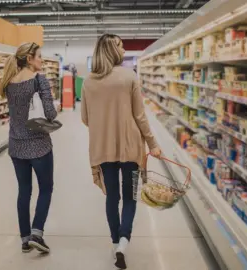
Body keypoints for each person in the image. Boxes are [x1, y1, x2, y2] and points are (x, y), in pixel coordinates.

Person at [81, 34, 161, 269]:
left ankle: (115, 240)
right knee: (131, 196)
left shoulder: (88, 81)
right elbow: (140, 116)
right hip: (131, 148)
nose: (124, 48)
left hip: (103, 148)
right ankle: (124, 242)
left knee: (112, 196)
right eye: (121, 45)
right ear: (112, 49)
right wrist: (153, 143)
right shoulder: (129, 76)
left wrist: (105, 125)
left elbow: (86, 118)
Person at [1, 42, 58, 254]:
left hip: (16, 146)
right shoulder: (38, 80)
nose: (42, 60)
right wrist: (55, 107)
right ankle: (37, 233)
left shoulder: (8, 83)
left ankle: (25, 239)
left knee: (24, 190)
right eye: (39, 56)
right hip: (39, 146)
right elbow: (50, 114)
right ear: (29, 59)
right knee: (46, 188)